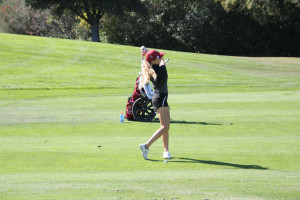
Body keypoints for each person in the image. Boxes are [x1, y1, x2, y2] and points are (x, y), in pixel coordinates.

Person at [139, 49, 171, 160]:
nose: (161, 58)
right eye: (159, 57)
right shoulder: (160, 70)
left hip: (160, 98)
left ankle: (166, 151)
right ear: (154, 60)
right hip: (160, 98)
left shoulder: (153, 69)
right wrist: (159, 59)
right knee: (165, 126)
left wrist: (154, 57)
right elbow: (162, 64)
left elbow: (159, 63)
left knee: (165, 127)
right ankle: (146, 146)